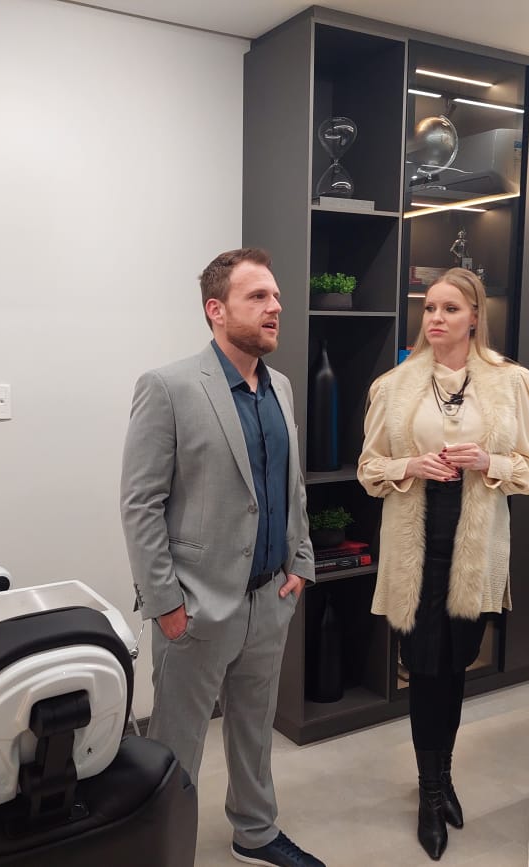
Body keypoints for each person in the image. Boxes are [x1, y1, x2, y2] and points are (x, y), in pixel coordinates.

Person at [120, 248, 324, 867]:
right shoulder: (169, 387)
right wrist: (166, 604)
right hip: (197, 607)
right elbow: (141, 504)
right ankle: (163, 851)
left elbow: (290, 484)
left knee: (254, 731)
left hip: (269, 597)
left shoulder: (280, 387)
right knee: (177, 745)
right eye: (257, 296)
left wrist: (301, 562)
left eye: (276, 296)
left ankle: (255, 833)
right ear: (216, 309)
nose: (275, 306)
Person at [356, 268, 529, 861]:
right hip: (415, 548)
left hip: (475, 550)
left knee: (457, 665)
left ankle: (444, 774)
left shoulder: (510, 382)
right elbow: (368, 469)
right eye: (430, 308)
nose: (436, 318)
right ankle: (430, 793)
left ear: (474, 317)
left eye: (450, 309)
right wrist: (410, 466)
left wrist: (488, 460)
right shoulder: (394, 386)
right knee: (423, 669)